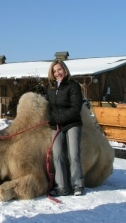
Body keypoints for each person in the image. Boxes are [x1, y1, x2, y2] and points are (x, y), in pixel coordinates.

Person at [46, 59, 85, 196]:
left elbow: (75, 108)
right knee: (57, 155)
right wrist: (50, 119)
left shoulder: (73, 85)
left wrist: (58, 118)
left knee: (73, 154)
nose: (57, 73)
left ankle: (77, 184)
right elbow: (49, 106)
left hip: (72, 123)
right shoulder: (51, 88)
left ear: (65, 69)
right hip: (56, 125)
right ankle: (61, 186)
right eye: (55, 71)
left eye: (59, 70)